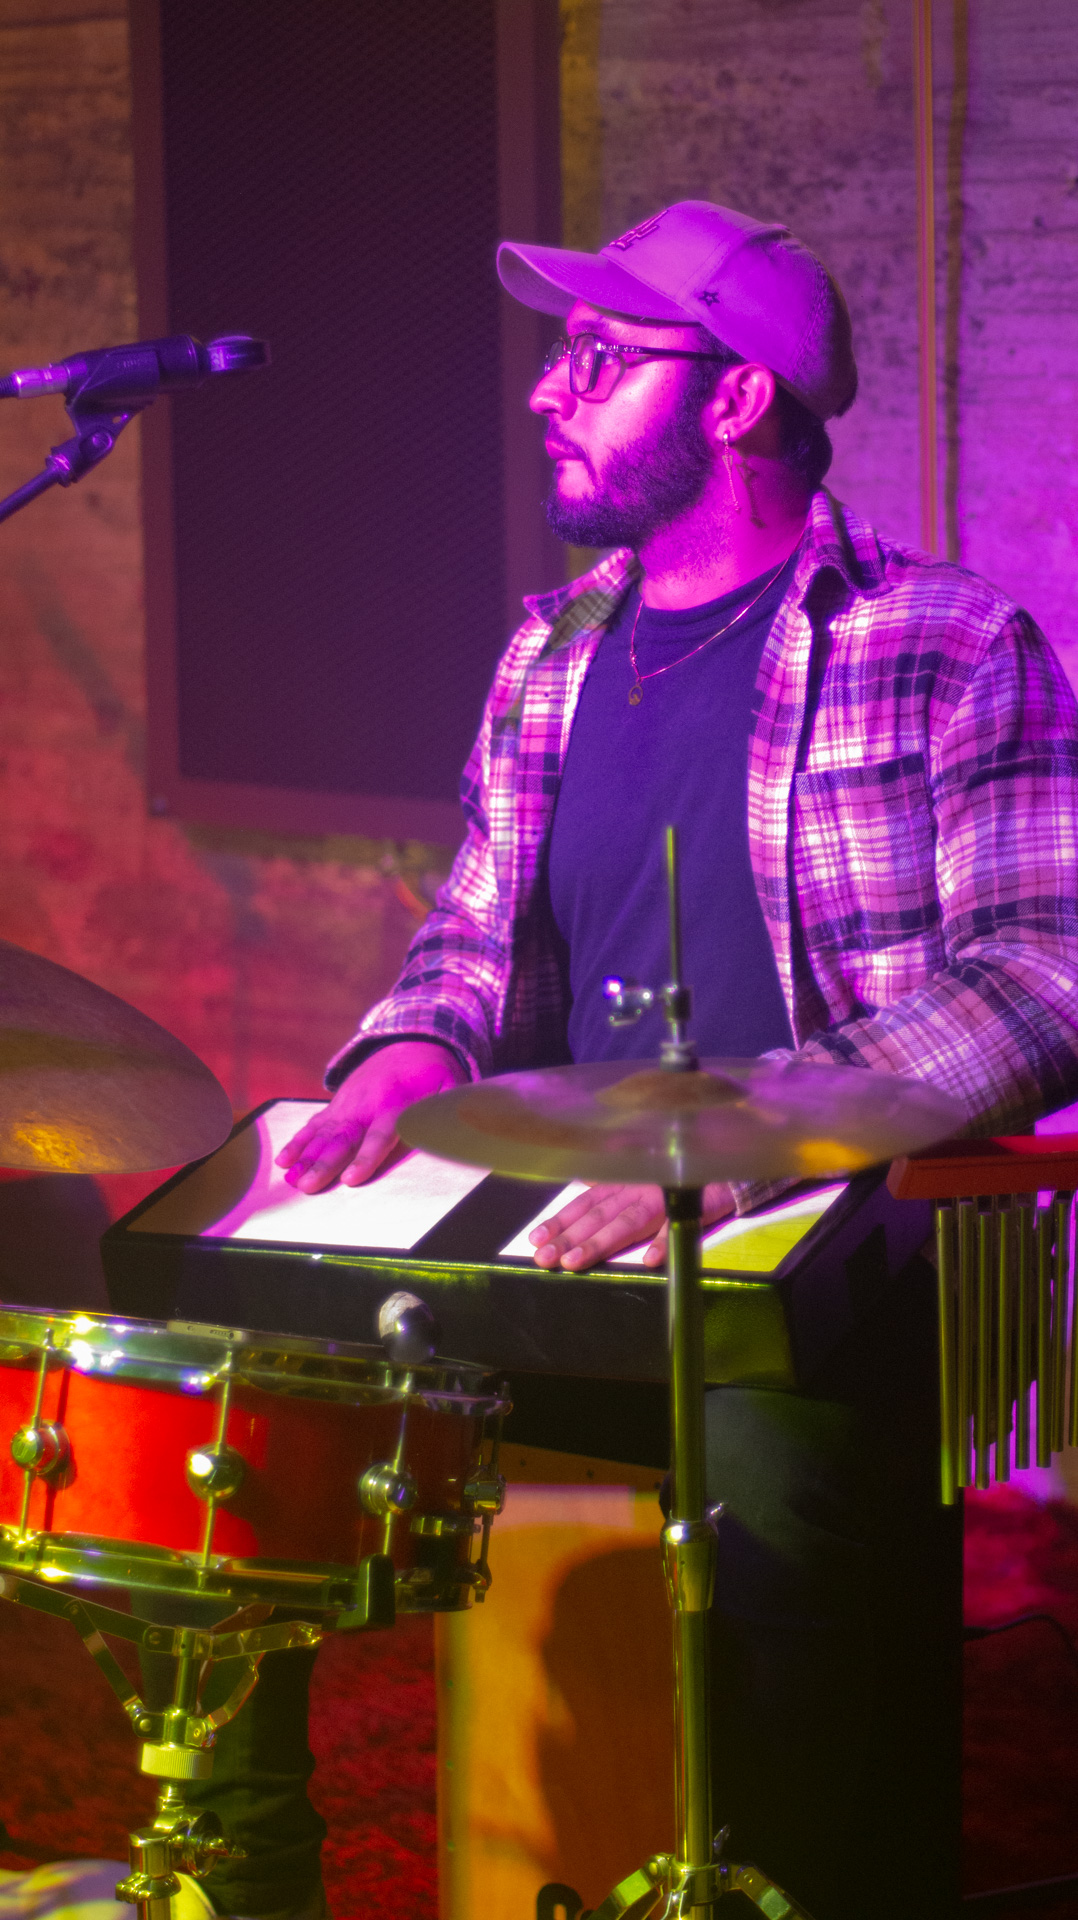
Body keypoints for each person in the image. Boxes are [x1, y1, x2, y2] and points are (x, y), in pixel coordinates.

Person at [190, 202, 1078, 1920]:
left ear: (734, 400)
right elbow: (473, 937)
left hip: (818, 1265)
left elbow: (1043, 973)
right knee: (245, 1413)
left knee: (771, 1501)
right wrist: (410, 1048)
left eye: (599, 360)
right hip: (554, 1250)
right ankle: (237, 1877)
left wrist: (750, 1139)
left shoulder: (948, 642)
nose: (547, 393)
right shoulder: (548, 652)